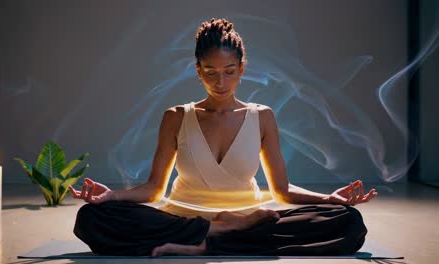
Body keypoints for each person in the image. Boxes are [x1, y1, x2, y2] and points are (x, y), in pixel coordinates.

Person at [69, 18, 378, 257]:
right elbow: (153, 189)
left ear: (242, 69)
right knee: (90, 218)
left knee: (349, 221)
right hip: (185, 218)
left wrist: (329, 199)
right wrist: (111, 197)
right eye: (210, 71)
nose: (221, 81)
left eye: (229, 71)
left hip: (250, 217)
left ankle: (209, 241)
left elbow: (281, 191)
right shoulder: (176, 116)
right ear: (198, 71)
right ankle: (217, 233)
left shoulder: (262, 117)